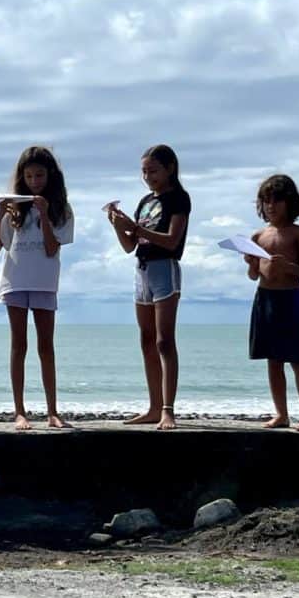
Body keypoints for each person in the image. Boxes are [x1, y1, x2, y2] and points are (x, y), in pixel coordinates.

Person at [0, 146, 74, 430]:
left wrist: (46, 215)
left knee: (46, 346)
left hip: (44, 282)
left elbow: (52, 248)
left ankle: (52, 411)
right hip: (15, 280)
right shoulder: (16, 208)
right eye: (28, 176)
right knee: (19, 345)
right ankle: (19, 411)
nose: (34, 181)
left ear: (51, 176)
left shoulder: (61, 209)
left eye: (39, 175)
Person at [108, 144, 191, 430]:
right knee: (146, 339)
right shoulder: (145, 201)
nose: (148, 176)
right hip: (141, 271)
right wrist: (120, 227)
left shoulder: (178, 198)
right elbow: (131, 246)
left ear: (169, 168)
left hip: (164, 269)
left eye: (153, 170)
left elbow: (171, 240)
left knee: (164, 340)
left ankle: (168, 409)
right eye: (144, 171)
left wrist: (137, 229)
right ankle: (154, 407)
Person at [244, 174, 299, 431]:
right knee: (272, 360)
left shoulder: (298, 233)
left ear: (290, 203)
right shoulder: (258, 235)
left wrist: (289, 266)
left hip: (290, 298)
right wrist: (252, 264)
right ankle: (281, 414)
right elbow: (253, 276)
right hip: (265, 299)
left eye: (276, 201)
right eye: (266, 201)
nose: (271, 206)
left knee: (298, 359)